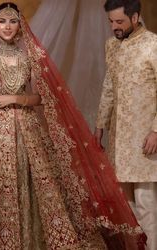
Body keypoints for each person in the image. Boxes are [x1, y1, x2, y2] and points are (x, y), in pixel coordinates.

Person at [0, 2, 146, 249]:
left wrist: (14, 98)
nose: (7, 27)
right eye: (2, 21)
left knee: (33, 181)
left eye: (12, 21)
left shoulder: (30, 55)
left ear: (20, 25)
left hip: (27, 124)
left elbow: (41, 98)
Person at [95, 0, 157, 249]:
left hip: (146, 141)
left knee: (145, 204)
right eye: (111, 22)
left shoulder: (153, 44)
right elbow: (109, 85)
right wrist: (100, 124)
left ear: (135, 17)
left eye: (119, 21)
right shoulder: (112, 46)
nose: (114, 27)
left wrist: (156, 130)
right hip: (119, 139)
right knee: (125, 207)